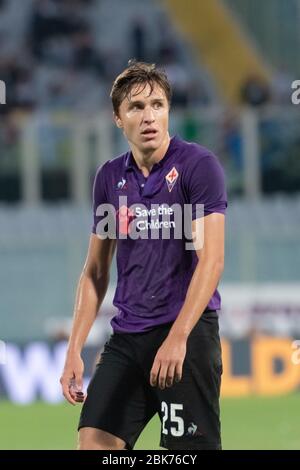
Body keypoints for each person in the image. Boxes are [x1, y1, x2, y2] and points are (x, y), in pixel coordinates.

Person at [60, 60, 227, 450]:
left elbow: (212, 260)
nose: (149, 116)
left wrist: (178, 337)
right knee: (95, 444)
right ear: (118, 118)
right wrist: (73, 350)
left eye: (158, 104)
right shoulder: (109, 179)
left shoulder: (198, 167)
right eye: (136, 107)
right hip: (128, 337)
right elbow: (95, 273)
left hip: (187, 332)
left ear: (169, 110)